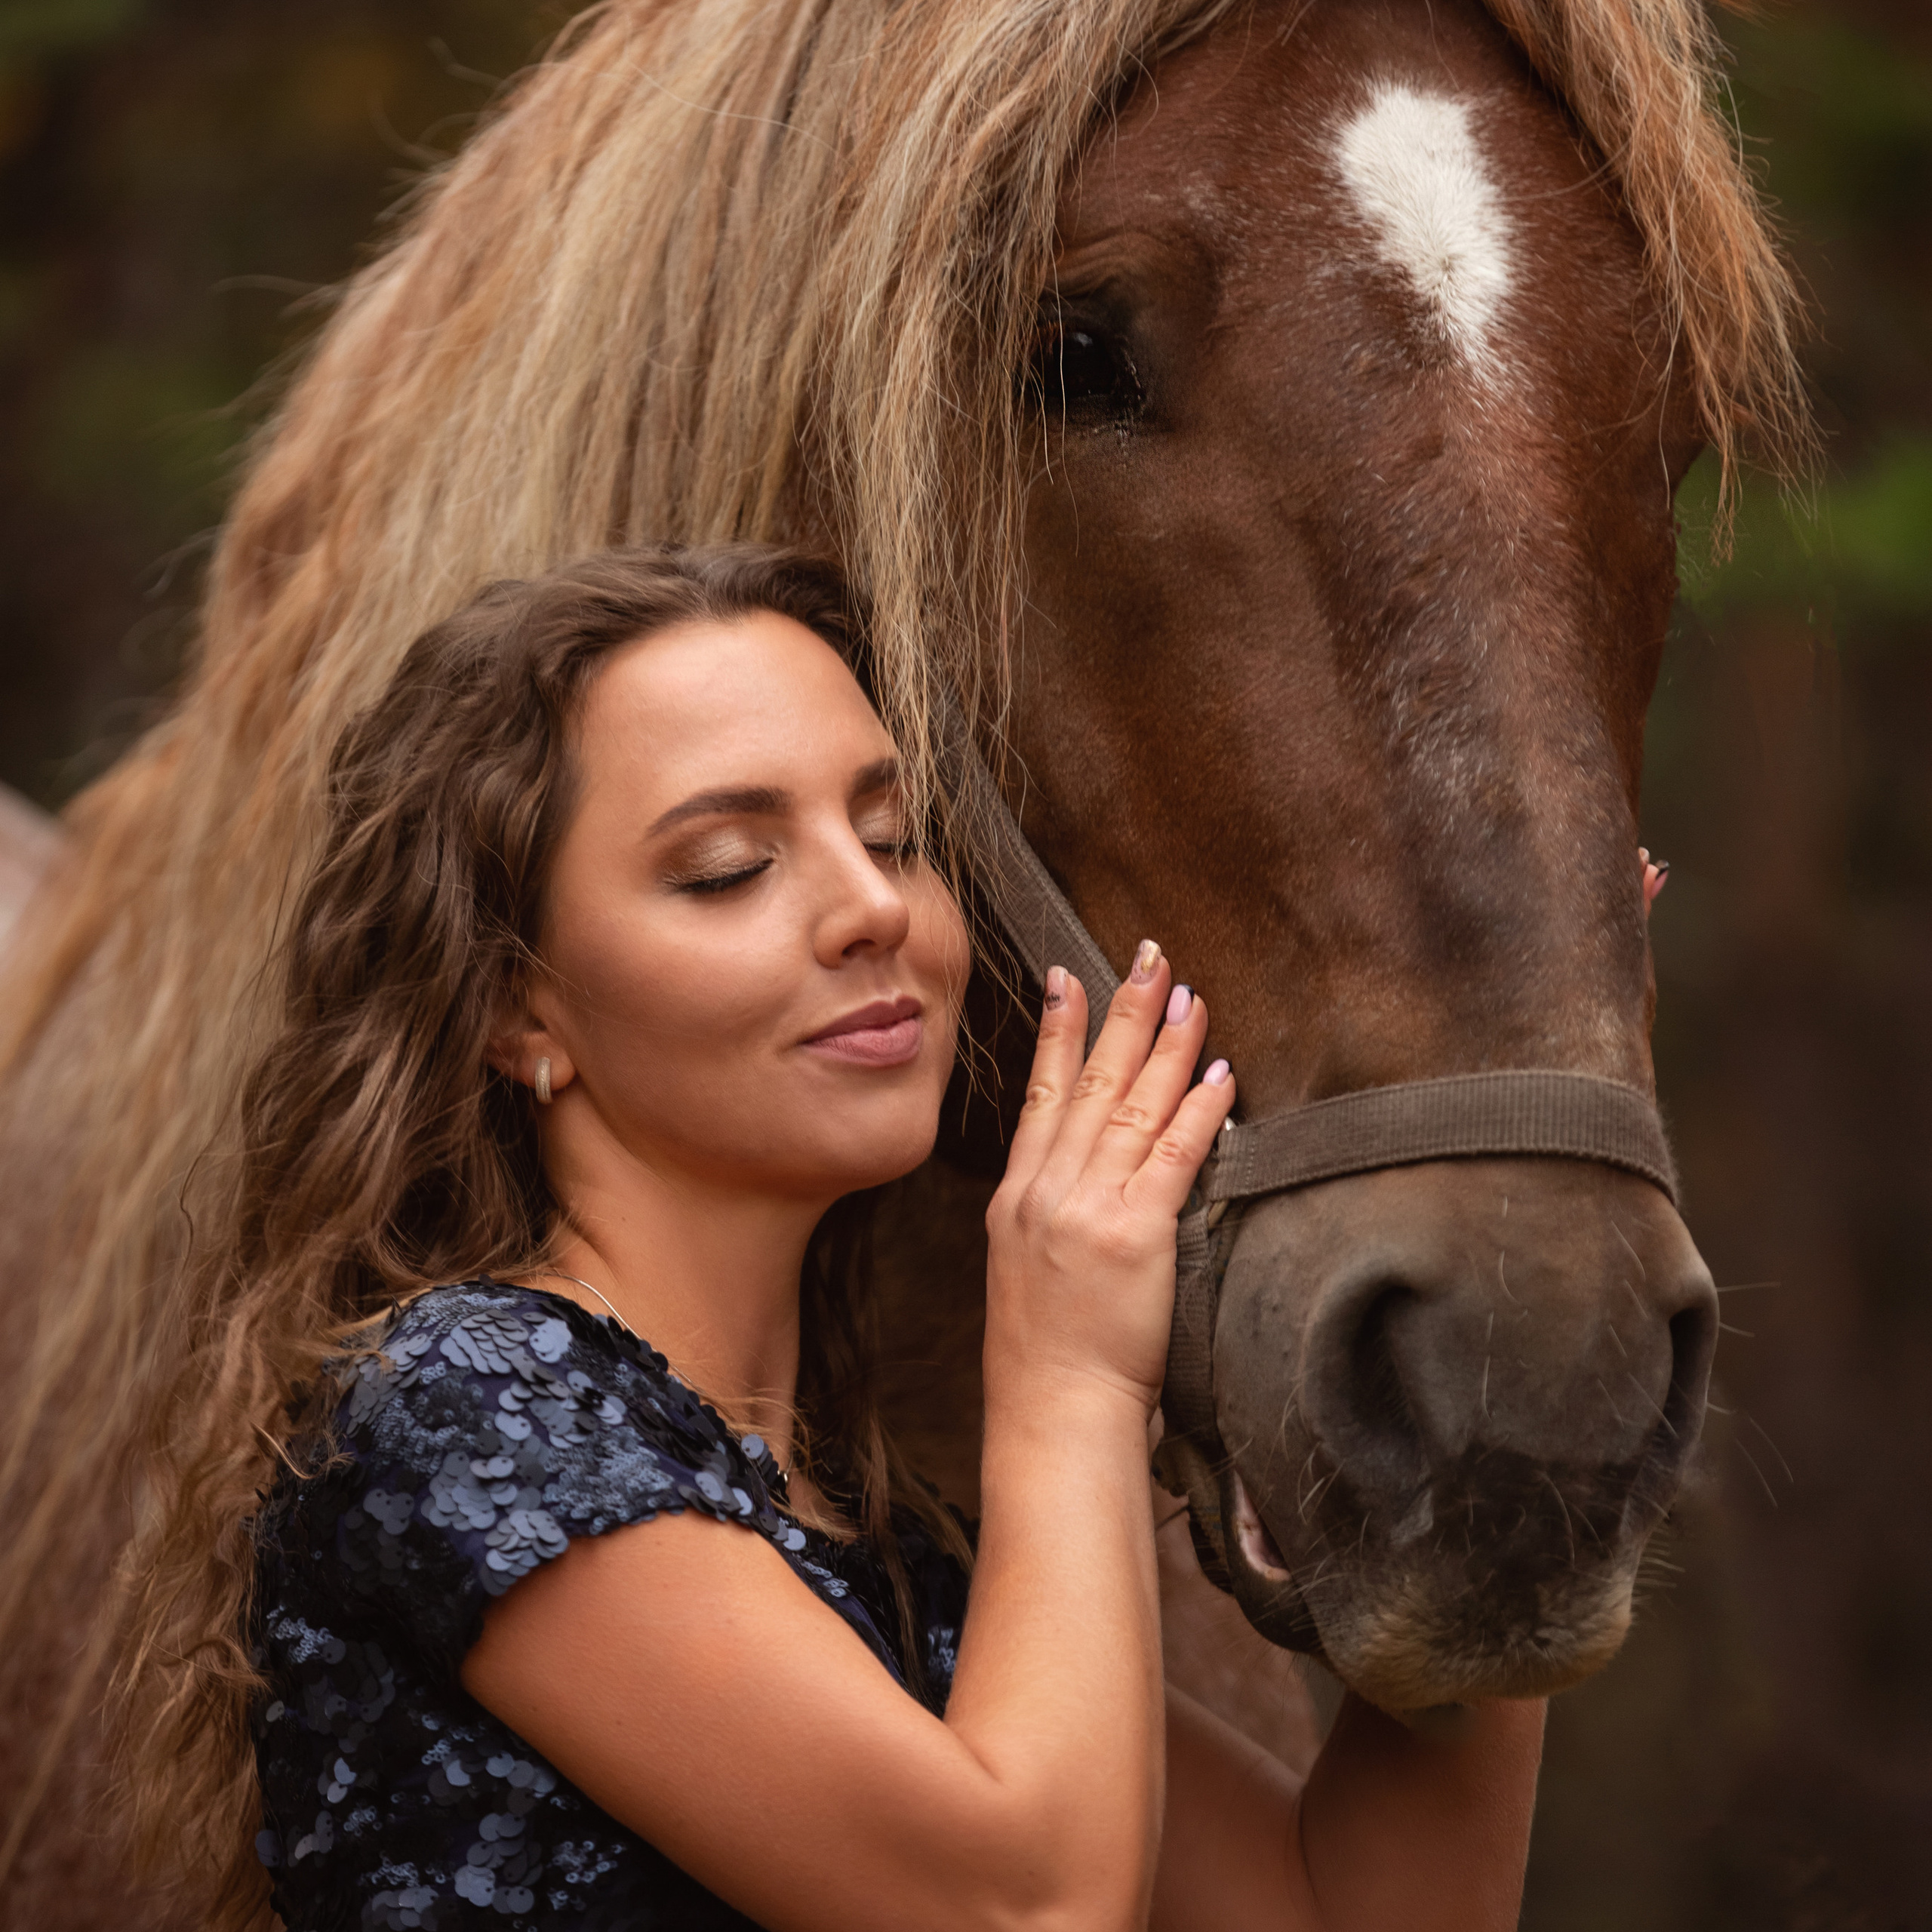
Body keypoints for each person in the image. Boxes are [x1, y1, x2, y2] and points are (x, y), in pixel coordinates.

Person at [120, 544, 1546, 1932]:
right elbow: (1026, 1907)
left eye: (890, 837)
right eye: (730, 867)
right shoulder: (464, 1407)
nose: (873, 907)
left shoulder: (874, 1547)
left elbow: (1365, 1908)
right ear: (517, 1012)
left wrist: (1515, 1309)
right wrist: (1067, 1382)